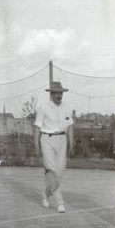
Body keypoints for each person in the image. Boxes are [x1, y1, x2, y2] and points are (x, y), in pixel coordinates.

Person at [33, 81, 74, 213]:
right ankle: (60, 203)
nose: (59, 95)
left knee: (59, 172)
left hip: (62, 139)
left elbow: (70, 127)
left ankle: (46, 192)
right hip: (47, 139)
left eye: (60, 93)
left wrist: (71, 144)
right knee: (52, 171)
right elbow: (36, 128)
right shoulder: (43, 107)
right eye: (56, 93)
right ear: (51, 94)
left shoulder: (67, 107)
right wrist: (36, 146)